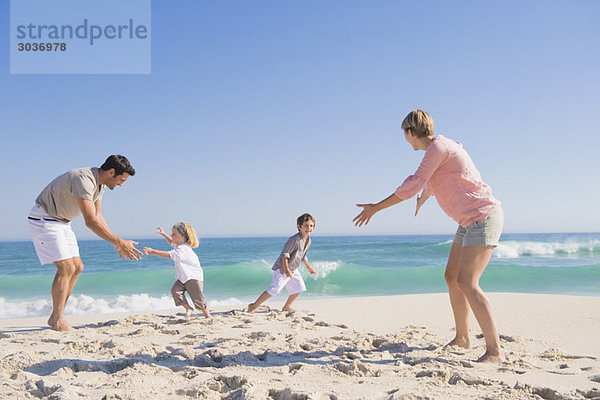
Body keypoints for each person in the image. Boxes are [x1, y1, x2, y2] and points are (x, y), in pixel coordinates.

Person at [353, 110, 504, 363]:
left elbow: (416, 181)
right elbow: (432, 183)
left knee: (467, 282)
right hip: (468, 221)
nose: (406, 139)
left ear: (410, 132)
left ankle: (495, 351)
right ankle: (463, 338)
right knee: (451, 277)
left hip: (482, 216)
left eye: (405, 134)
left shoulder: (438, 147)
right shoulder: (438, 152)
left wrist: (375, 207)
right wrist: (422, 198)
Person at [28, 155, 142, 331]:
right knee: (66, 267)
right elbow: (90, 222)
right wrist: (119, 241)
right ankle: (58, 320)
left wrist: (116, 242)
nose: (121, 184)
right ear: (112, 172)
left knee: (77, 267)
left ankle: (55, 317)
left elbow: (98, 217)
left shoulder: (100, 185)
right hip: (45, 219)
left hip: (63, 222)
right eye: (121, 180)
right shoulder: (84, 179)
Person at [248, 213, 316, 313]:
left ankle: (287, 306)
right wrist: (287, 270)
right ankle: (253, 305)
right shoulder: (294, 239)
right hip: (282, 268)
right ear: (299, 226)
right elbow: (285, 255)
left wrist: (308, 267)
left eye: (311, 226)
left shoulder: (308, 240)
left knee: (299, 287)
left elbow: (303, 255)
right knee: (274, 289)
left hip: (293, 268)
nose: (309, 228)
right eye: (306, 225)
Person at [143, 223, 212, 319]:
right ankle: (188, 308)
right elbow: (171, 242)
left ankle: (207, 315)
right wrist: (164, 234)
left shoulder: (183, 249)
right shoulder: (180, 245)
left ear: (183, 236)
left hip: (193, 277)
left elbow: (168, 255)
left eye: (174, 233)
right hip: (183, 277)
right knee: (175, 291)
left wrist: (152, 251)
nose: (172, 235)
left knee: (197, 298)